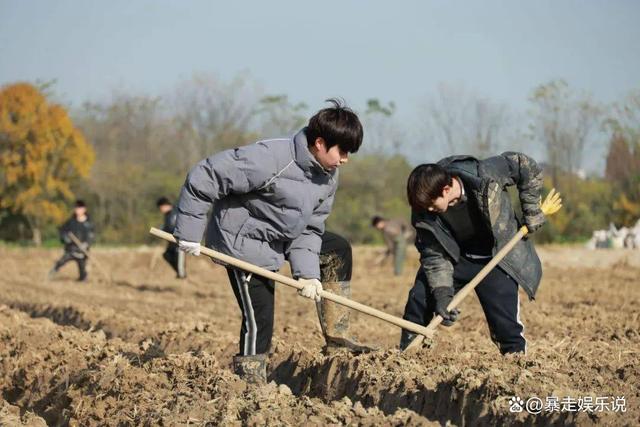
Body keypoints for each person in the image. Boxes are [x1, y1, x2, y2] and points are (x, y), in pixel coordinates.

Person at [173, 99, 371, 383]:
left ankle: (337, 336)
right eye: (342, 151)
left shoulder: (328, 177)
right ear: (319, 143)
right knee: (260, 316)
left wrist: (309, 275)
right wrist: (189, 233)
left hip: (283, 235)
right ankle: (250, 381)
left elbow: (310, 228)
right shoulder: (269, 158)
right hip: (245, 242)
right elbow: (206, 175)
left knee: (336, 248)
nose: (345, 159)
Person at [400, 153, 545, 354]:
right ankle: (407, 355)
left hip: (497, 258)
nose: (429, 210)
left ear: (447, 189)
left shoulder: (484, 173)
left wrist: (532, 209)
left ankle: (516, 363)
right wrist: (442, 295)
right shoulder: (424, 209)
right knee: (420, 298)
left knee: (505, 324)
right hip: (456, 258)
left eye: (432, 204)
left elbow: (524, 166)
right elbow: (434, 255)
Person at [49, 200, 95, 282]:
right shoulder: (71, 222)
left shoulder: (88, 224)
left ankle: (82, 278)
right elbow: (62, 230)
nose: (78, 210)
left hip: (82, 251)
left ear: (84, 209)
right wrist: (65, 238)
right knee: (61, 262)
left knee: (82, 271)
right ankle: (51, 273)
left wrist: (86, 244)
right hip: (71, 249)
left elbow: (91, 236)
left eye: (80, 208)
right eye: (77, 208)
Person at [156, 197, 186, 279]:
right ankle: (179, 272)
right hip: (171, 242)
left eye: (160, 208)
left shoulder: (175, 213)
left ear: (164, 206)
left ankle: (182, 275)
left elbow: (175, 227)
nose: (161, 210)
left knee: (179, 258)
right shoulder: (167, 215)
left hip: (178, 241)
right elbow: (166, 227)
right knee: (167, 255)